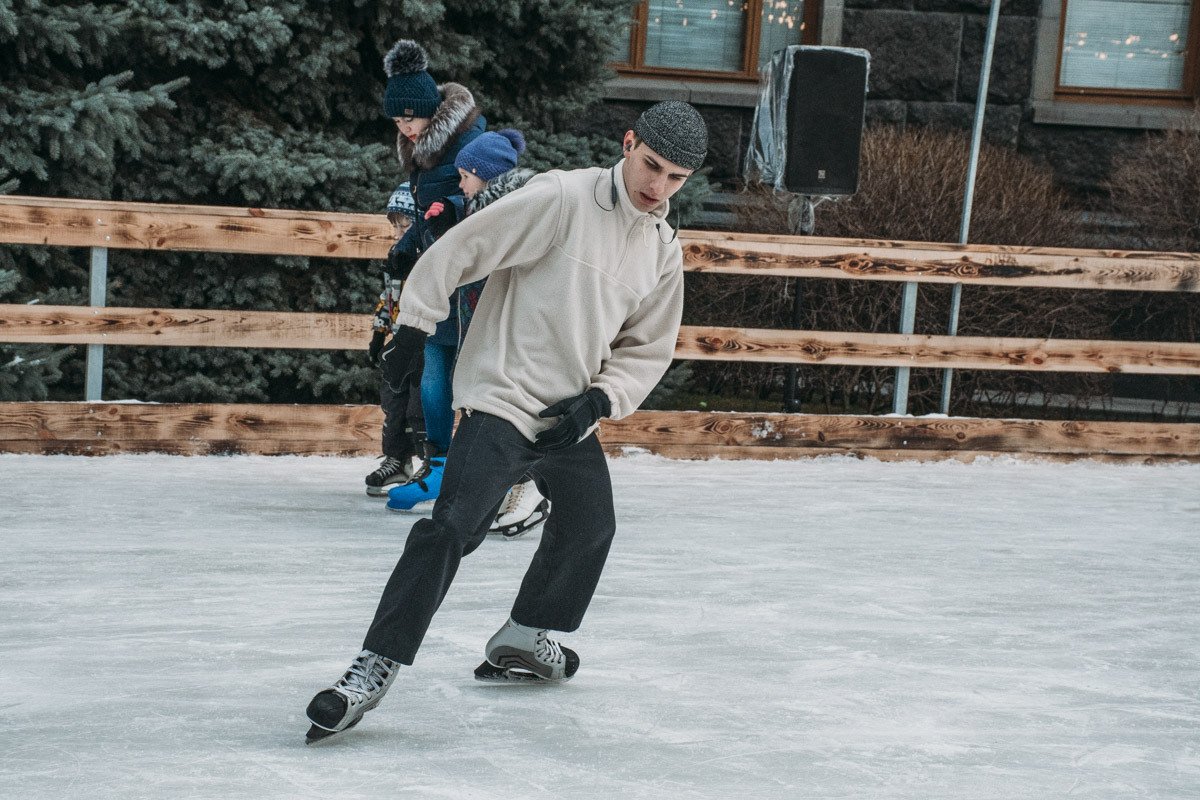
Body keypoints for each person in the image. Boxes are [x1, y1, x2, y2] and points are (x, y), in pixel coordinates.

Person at [304, 100, 708, 744]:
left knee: (590, 524)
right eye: (652, 165)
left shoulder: (661, 248)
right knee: (453, 528)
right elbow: (463, 249)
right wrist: (413, 325)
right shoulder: (562, 199)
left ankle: (524, 635)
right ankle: (373, 666)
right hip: (502, 399)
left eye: (676, 178)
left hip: (569, 415)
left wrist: (600, 402)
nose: (657, 187)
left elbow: (648, 346)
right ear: (629, 144)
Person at [385, 128, 551, 539]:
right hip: (473, 319)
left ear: (485, 173)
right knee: (457, 391)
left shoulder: (517, 210)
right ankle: (465, 474)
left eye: (465, 175)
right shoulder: (472, 206)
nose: (460, 183)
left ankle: (526, 484)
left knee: (507, 404)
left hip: (512, 326)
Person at [374, 37, 486, 505]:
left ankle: (493, 470)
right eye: (398, 121)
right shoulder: (419, 151)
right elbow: (423, 213)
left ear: (430, 110)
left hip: (475, 280)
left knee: (480, 374)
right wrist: (407, 244)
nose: (405, 128)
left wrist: (454, 208)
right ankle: (437, 465)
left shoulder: (473, 140)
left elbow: (499, 193)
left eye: (410, 119)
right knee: (433, 373)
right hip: (437, 276)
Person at [364, 183, 425, 496]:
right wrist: (379, 332)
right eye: (395, 225)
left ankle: (430, 463)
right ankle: (397, 460)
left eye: (406, 224)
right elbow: (388, 297)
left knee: (421, 404)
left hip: (426, 341)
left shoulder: (430, 254)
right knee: (392, 400)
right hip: (399, 339)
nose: (400, 231)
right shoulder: (395, 254)